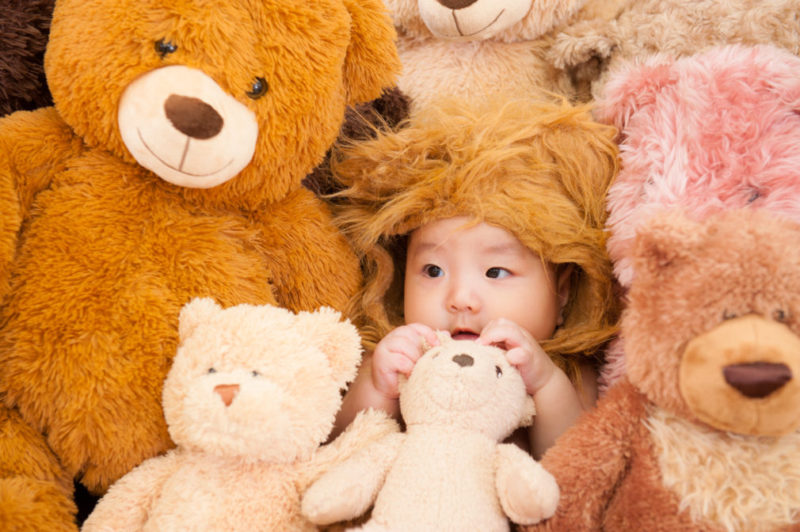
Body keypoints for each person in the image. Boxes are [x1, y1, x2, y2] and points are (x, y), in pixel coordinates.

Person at [329, 97, 620, 458]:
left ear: (562, 294)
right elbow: (339, 446)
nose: (460, 298)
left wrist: (546, 385)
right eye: (433, 271)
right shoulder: (398, 359)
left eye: (495, 272)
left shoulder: (568, 376)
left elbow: (574, 464)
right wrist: (376, 388)